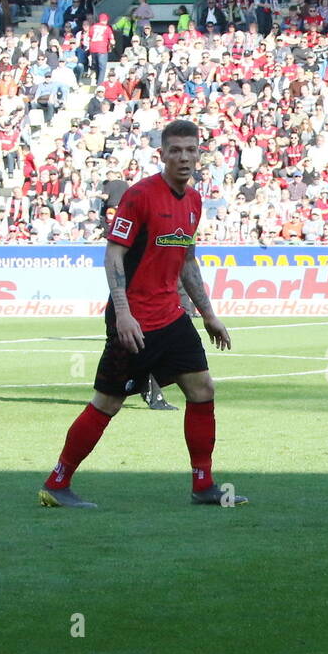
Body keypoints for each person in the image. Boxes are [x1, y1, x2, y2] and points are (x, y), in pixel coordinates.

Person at [39, 119, 248, 508]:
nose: (184, 158)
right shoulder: (139, 196)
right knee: (108, 403)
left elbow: (188, 261)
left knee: (202, 389)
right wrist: (123, 314)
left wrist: (209, 314)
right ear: (162, 155)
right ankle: (57, 481)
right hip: (133, 321)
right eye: (176, 151)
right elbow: (113, 254)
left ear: (199, 154)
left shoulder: (194, 201)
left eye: (191, 150)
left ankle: (203, 485)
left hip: (171, 316)